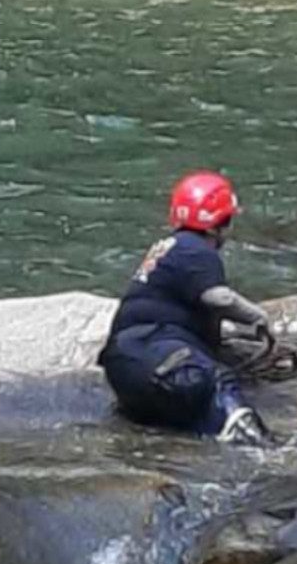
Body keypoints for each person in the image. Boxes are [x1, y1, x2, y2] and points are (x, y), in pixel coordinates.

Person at [99, 171, 272, 445]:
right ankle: (261, 448)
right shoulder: (197, 250)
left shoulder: (167, 248)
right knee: (216, 382)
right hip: (159, 357)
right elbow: (220, 299)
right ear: (218, 224)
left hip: (122, 367)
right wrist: (259, 317)